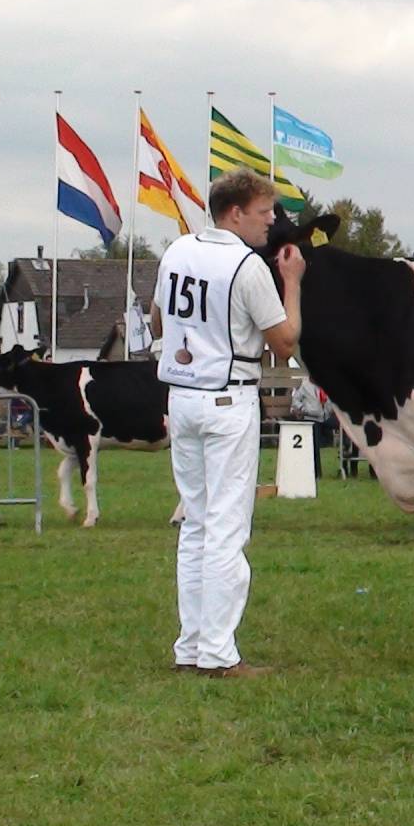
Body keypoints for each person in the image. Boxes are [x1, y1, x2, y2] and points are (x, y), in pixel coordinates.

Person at [153, 168, 304, 677]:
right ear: (235, 212)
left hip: (182, 394)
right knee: (226, 528)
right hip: (227, 398)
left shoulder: (176, 251)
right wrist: (293, 284)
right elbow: (284, 342)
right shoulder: (247, 265)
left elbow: (156, 321)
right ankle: (218, 652)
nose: (271, 223)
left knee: (195, 524)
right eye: (264, 213)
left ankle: (190, 645)